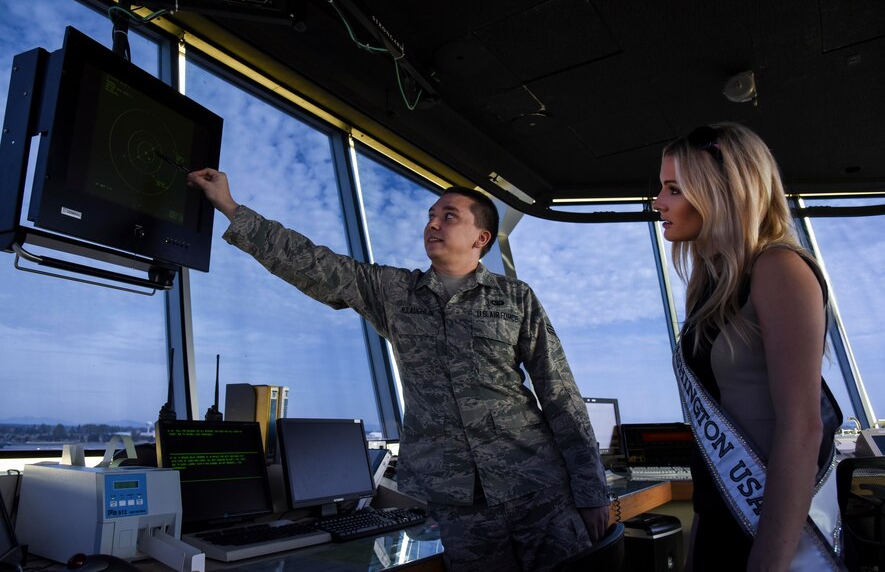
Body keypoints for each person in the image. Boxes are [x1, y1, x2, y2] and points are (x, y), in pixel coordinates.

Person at [187, 168, 609, 571]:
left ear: (481, 237)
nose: (433, 224)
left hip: (537, 485)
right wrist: (230, 207)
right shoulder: (394, 292)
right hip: (458, 502)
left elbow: (560, 393)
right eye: (430, 216)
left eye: (449, 216)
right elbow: (314, 263)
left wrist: (591, 489)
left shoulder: (515, 297)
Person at [652, 123, 843, 571]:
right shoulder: (711, 285)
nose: (658, 202)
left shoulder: (779, 269)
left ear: (721, 191)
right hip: (721, 516)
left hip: (768, 530)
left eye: (673, 188)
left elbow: (802, 428)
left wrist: (768, 563)